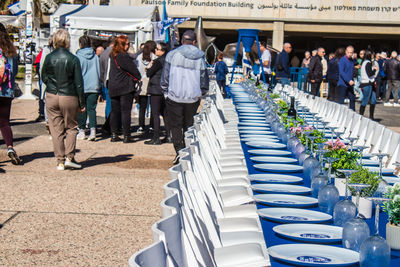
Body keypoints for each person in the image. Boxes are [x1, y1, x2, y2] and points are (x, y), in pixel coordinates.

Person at [161, 30, 209, 164]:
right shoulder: (200, 58)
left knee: (175, 126)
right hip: (193, 97)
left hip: (174, 95)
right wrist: (202, 93)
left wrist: (165, 92)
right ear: (194, 42)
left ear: (182, 41)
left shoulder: (171, 55)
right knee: (189, 125)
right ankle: (188, 151)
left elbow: (165, 77)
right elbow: (203, 79)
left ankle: (179, 151)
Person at [41, 29, 85, 170]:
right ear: (67, 41)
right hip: (69, 95)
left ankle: (59, 161)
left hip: (52, 94)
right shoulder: (73, 59)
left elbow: (44, 77)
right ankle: (69, 157)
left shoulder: (49, 57)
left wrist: (52, 85)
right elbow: (78, 82)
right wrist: (81, 102)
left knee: (56, 129)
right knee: (71, 127)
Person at [107, 35, 141, 143]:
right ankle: (127, 135)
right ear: (122, 45)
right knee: (125, 112)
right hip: (124, 86)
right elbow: (134, 71)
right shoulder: (123, 56)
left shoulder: (112, 55)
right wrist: (137, 77)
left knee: (114, 111)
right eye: (127, 44)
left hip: (113, 86)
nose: (128, 46)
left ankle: (114, 134)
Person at [0, 25, 22, 165]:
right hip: (6, 92)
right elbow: (13, 73)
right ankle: (10, 148)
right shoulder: (11, 51)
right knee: (4, 123)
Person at [76, 35, 101, 141]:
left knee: (82, 109)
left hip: (82, 85)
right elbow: (98, 71)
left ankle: (81, 130)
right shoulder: (95, 56)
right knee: (92, 109)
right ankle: (93, 130)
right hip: (94, 85)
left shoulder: (78, 56)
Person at [145, 42, 170, 145]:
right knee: (164, 113)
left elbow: (149, 73)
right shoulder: (167, 61)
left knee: (155, 114)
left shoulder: (158, 61)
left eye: (157, 49)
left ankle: (156, 137)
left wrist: (149, 68)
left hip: (155, 89)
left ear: (162, 51)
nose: (155, 50)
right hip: (164, 90)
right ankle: (169, 135)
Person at [136, 40, 156, 133]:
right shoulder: (154, 57)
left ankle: (141, 126)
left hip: (142, 83)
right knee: (152, 107)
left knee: (142, 107)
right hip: (151, 82)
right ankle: (152, 125)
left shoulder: (139, 57)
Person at [99, 36, 115, 135]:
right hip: (113, 81)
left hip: (105, 80)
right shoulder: (115, 53)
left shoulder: (103, 53)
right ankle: (111, 125)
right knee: (113, 104)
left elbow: (101, 70)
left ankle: (108, 123)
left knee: (108, 104)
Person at [359, 50, 379, 119]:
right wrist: (375, 69)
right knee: (365, 99)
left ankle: (371, 116)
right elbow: (370, 74)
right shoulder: (367, 63)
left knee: (373, 100)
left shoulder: (365, 62)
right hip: (367, 83)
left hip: (370, 83)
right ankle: (360, 116)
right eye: (372, 55)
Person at [337, 45, 356, 110]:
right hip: (343, 83)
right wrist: (348, 80)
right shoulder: (342, 60)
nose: (350, 54)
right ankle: (339, 114)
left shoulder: (352, 60)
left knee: (352, 98)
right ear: (345, 52)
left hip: (350, 83)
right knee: (341, 100)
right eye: (349, 52)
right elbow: (341, 72)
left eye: (351, 52)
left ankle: (352, 113)